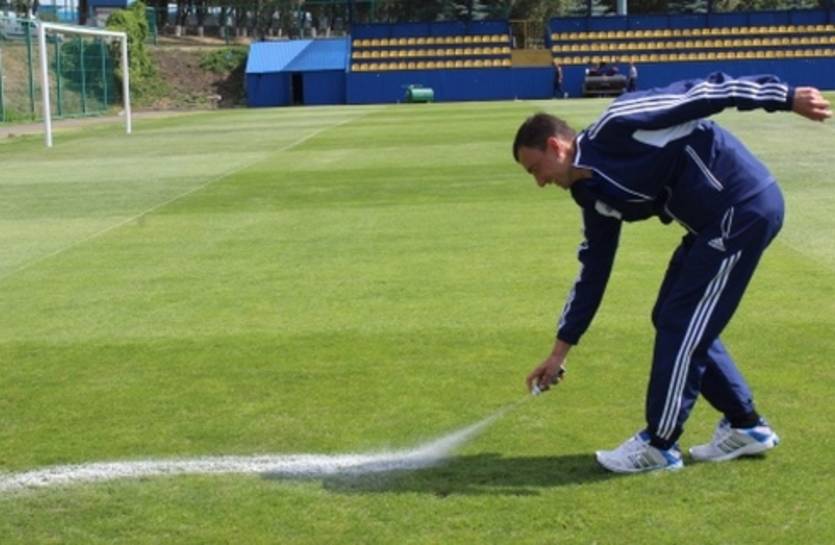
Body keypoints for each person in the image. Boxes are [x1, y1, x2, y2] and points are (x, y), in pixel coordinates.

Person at [512, 73, 831, 474]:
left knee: (682, 321)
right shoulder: (590, 195)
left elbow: (708, 91)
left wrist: (784, 96)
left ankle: (659, 445)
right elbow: (593, 271)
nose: (540, 182)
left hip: (741, 205)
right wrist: (559, 352)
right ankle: (745, 425)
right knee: (669, 315)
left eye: (535, 169)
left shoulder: (619, 123)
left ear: (555, 147)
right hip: (709, 227)